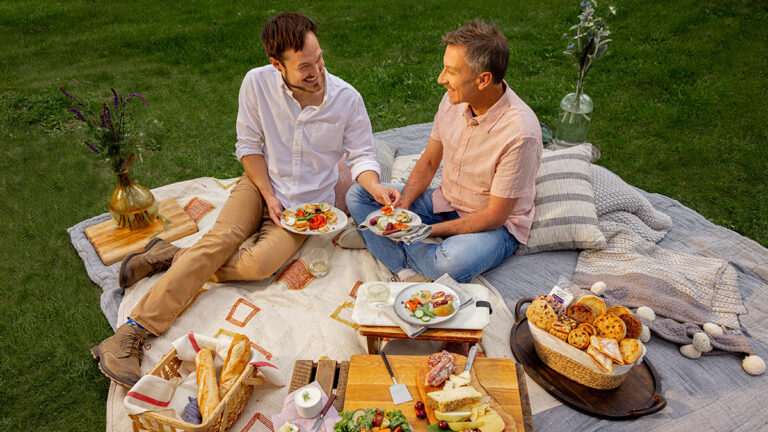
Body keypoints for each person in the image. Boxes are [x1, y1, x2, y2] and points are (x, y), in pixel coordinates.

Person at [91, 12, 398, 388]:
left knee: (258, 266)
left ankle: (170, 255)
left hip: (305, 210)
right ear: (276, 64)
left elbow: (362, 156)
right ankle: (130, 334)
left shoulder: (346, 99)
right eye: (304, 66)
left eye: (318, 59)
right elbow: (249, 146)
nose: (317, 70)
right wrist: (267, 194)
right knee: (220, 240)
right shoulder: (256, 84)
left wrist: (375, 186)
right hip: (259, 184)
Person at [347, 19, 542, 283]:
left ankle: (383, 243)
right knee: (360, 194)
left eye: (451, 71)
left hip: (493, 224)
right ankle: (404, 267)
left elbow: (494, 216)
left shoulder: (520, 134)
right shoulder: (454, 100)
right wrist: (401, 208)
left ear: (483, 79)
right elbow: (428, 162)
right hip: (447, 200)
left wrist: (424, 230)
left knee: (449, 265)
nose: (441, 79)